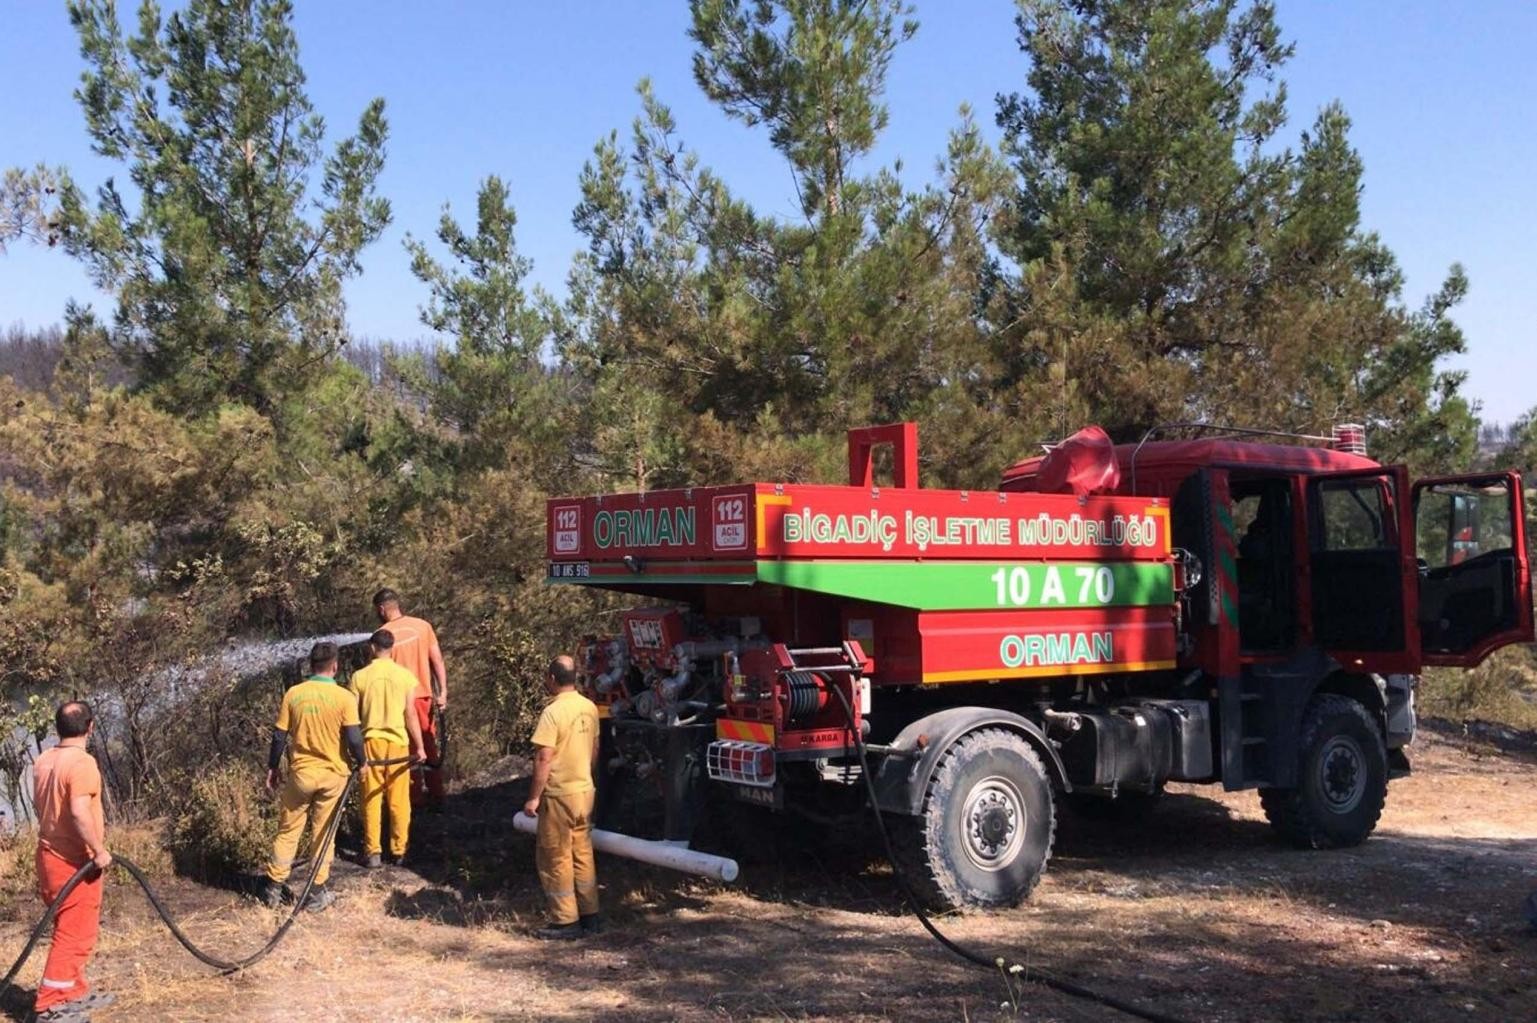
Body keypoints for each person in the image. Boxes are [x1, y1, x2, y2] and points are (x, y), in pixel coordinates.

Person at [262, 642, 365, 912]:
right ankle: (317, 892)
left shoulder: (294, 694)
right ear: (335, 666)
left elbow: (279, 736)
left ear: (310, 666)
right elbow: (354, 737)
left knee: (288, 831)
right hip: (333, 776)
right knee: (324, 834)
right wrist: (362, 762)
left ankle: (273, 887)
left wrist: (272, 768)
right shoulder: (344, 698)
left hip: (301, 776)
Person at [30, 701, 115, 1021]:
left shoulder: (44, 760)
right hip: (74, 861)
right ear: (90, 727)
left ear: (57, 728)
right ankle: (50, 1003)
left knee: (72, 927)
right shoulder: (82, 763)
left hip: (49, 855)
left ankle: (73, 991)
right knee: (74, 934)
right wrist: (97, 850)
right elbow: (79, 812)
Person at [522, 655, 602, 940]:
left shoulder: (552, 712)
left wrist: (533, 798)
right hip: (584, 792)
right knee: (582, 854)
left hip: (560, 794)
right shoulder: (589, 707)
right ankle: (591, 915)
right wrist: (586, 777)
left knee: (555, 856)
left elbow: (544, 758)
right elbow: (595, 749)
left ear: (552, 679)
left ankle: (565, 921)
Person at [350, 629, 427, 867]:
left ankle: (373, 851)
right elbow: (411, 714)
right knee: (398, 799)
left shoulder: (359, 677)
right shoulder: (404, 676)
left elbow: (351, 717)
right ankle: (399, 849)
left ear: (373, 648)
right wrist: (421, 747)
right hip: (398, 744)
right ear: (391, 648)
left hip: (370, 743)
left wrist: (349, 750)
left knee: (371, 798)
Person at [373, 588, 448, 808]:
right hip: (423, 697)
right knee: (428, 745)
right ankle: (438, 795)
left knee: (406, 749)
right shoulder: (422, 626)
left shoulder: (382, 636)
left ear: (381, 609)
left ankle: (413, 800)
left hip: (397, 702)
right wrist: (442, 692)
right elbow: (438, 661)